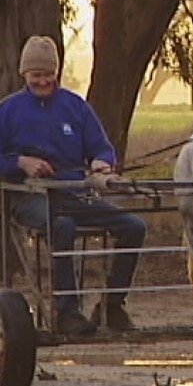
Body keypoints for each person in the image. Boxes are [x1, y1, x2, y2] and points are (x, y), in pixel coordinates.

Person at [0, 35, 147, 335]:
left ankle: (111, 306)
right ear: (24, 74)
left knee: (134, 226)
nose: (42, 81)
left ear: (57, 73)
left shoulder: (76, 107)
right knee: (62, 226)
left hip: (74, 192)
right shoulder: (8, 110)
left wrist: (101, 162)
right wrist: (21, 163)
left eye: (48, 75)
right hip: (28, 196)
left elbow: (102, 147)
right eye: (36, 75)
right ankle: (67, 313)